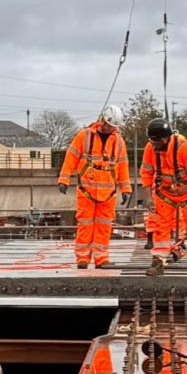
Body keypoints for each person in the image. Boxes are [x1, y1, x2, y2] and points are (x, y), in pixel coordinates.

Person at [58, 110, 132, 270]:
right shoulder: (84, 136)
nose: (109, 128)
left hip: (108, 193)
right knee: (85, 224)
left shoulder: (118, 141)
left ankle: (101, 258)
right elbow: (71, 157)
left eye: (112, 126)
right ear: (103, 120)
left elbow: (123, 166)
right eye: (108, 125)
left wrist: (126, 188)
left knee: (104, 226)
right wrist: (64, 178)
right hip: (87, 190)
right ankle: (83, 258)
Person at [141, 119, 187, 274]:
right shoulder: (150, 148)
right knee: (160, 227)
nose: (152, 143)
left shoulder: (185, 148)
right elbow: (146, 173)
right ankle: (158, 261)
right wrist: (148, 197)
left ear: (163, 139)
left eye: (154, 140)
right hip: (164, 194)